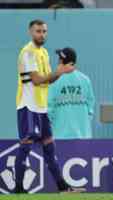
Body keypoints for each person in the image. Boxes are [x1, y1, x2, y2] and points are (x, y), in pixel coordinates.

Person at [15, 19, 82, 193]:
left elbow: (49, 80)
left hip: (41, 108)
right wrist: (60, 71)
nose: (42, 34)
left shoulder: (43, 52)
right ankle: (19, 189)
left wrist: (60, 69)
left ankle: (63, 187)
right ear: (31, 32)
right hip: (28, 107)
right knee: (26, 146)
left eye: (44, 31)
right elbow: (37, 80)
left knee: (49, 147)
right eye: (38, 31)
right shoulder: (28, 53)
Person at [48, 47, 95, 139]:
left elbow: (48, 109)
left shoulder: (54, 80)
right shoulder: (85, 80)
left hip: (60, 137)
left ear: (61, 61)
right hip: (83, 136)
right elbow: (91, 106)